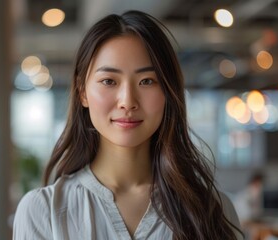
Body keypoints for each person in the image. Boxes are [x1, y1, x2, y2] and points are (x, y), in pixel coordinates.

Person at [13, 10, 243, 240]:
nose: (128, 101)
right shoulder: (43, 212)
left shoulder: (214, 211)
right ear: (82, 91)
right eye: (109, 81)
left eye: (147, 81)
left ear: (168, 92)